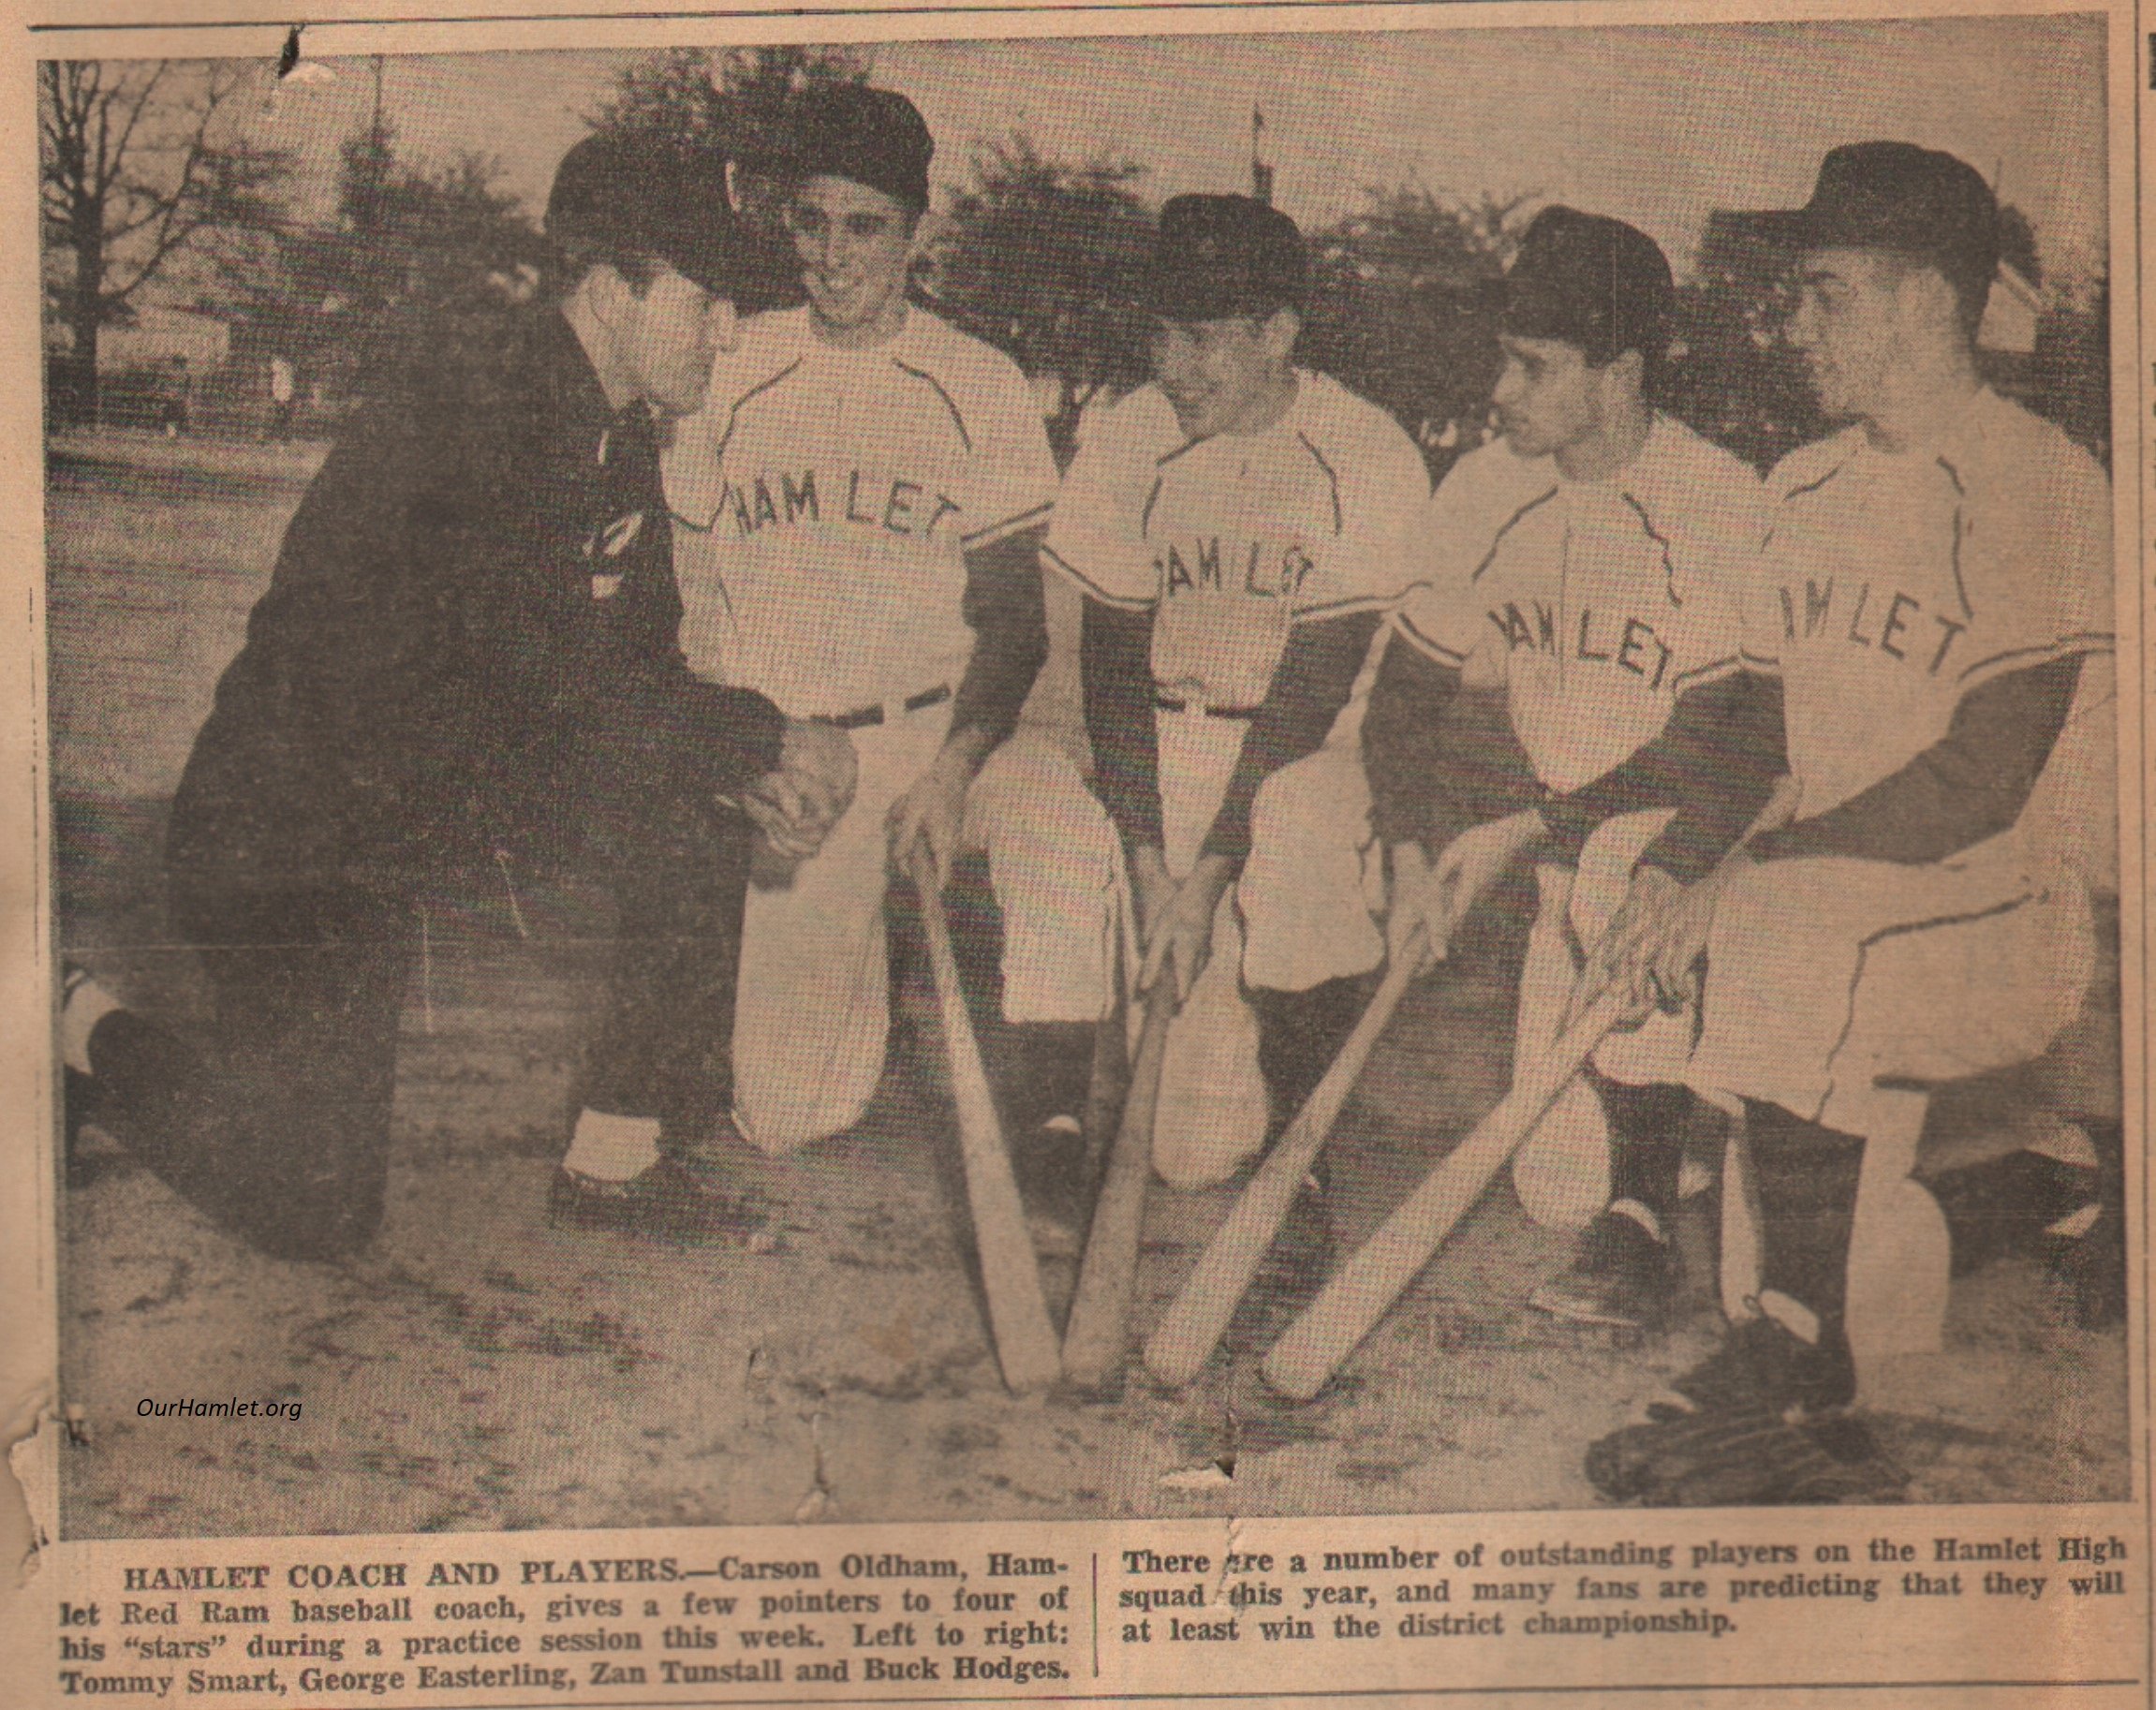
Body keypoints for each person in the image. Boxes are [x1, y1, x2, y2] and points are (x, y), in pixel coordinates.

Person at [58, 133, 855, 1261]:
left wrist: (753, 766)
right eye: (707, 299)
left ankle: (616, 1159)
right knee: (313, 1207)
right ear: (610, 285)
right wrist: (767, 730)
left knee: (699, 809)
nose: (726, 333)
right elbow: (549, 685)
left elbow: (633, 671)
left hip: (439, 794)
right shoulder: (478, 409)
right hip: (293, 829)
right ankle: (76, 1025)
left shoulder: (619, 435)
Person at [1583, 143, 2116, 1505]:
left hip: (1995, 913)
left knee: (1781, 921)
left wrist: (1742, 873)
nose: (1793, 323)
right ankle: (2062, 1191)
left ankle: (1789, 1361)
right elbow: (1750, 725)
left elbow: (1977, 782)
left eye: (1823, 294)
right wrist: (1673, 862)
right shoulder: (1801, 484)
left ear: (1926, 303)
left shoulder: (2036, 480)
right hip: (1826, 924)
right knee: (1888, 1256)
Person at [1244, 206, 1776, 1305]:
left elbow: (1714, 747)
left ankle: (1643, 1221)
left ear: (1619, 373)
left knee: (1618, 858)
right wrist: (1401, 850)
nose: (1501, 391)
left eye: (1532, 367)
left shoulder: (1714, 499)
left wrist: (1523, 830)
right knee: (1547, 1186)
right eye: (1504, 359)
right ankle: (1676, 1119)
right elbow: (1402, 700)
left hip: (1699, 857)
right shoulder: (1487, 488)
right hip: (1561, 855)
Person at [662, 83, 1066, 1156]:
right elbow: (692, 597)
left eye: (866, 226)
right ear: (783, 220)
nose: (833, 255)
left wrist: (948, 772)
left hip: (928, 738)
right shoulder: (730, 364)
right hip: (788, 746)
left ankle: (1058, 1099)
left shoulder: (978, 383)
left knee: (1059, 827)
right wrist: (731, 754)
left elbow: (1017, 623)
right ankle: (850, 973)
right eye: (810, 221)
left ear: (918, 231)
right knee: (787, 1113)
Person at [1044, 193, 1431, 1191]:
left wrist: (1207, 878)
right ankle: (1220, 1057)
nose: (1174, 365)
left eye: (1206, 337)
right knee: (1184, 1156)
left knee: (1297, 819)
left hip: (1306, 757)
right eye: (1161, 333)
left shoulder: (1366, 449)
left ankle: (1304, 1152)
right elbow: (1111, 672)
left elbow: (1313, 690)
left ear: (1277, 333)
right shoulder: (1133, 434)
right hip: (1164, 751)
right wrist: (1147, 869)